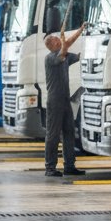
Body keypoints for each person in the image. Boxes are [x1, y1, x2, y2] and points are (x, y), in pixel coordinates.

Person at [43, 22, 86, 178]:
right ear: (52, 44)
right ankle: (50, 167)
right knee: (53, 135)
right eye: (57, 39)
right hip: (54, 102)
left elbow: (76, 54)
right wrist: (78, 31)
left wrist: (81, 31)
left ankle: (69, 166)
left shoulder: (65, 57)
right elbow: (65, 47)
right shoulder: (51, 58)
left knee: (69, 133)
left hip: (65, 100)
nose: (60, 40)